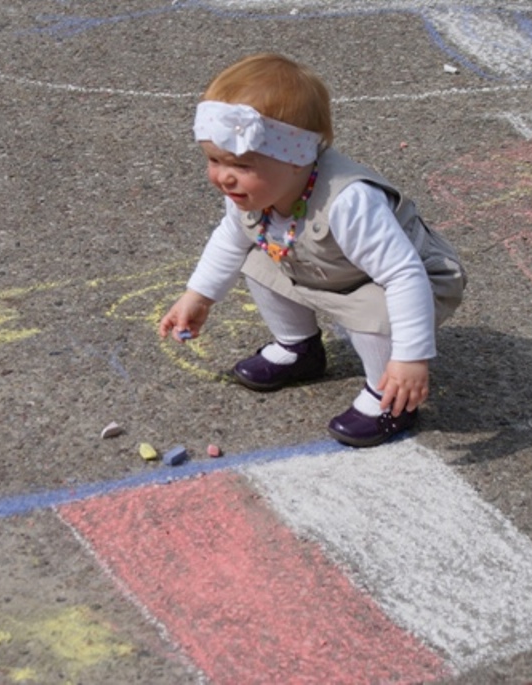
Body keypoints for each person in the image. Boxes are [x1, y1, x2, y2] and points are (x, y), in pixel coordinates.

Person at [158, 53, 467, 447]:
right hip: (328, 271)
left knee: (378, 309)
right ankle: (297, 346)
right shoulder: (251, 194)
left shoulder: (348, 202)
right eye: (213, 160)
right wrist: (198, 295)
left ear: (296, 158)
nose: (223, 177)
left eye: (239, 164)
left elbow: (404, 277)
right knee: (255, 256)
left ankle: (390, 396)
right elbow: (229, 238)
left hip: (409, 283)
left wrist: (410, 358)